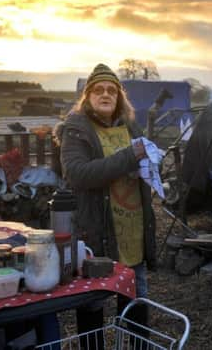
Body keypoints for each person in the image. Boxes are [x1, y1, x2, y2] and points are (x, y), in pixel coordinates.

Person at [55, 63, 156, 349]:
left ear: (120, 97)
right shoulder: (76, 129)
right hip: (96, 233)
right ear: (87, 97)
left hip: (131, 231)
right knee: (92, 309)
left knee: (136, 306)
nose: (105, 94)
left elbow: (138, 158)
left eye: (111, 90)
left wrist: (149, 168)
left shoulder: (130, 126)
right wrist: (130, 158)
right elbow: (77, 174)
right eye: (98, 90)